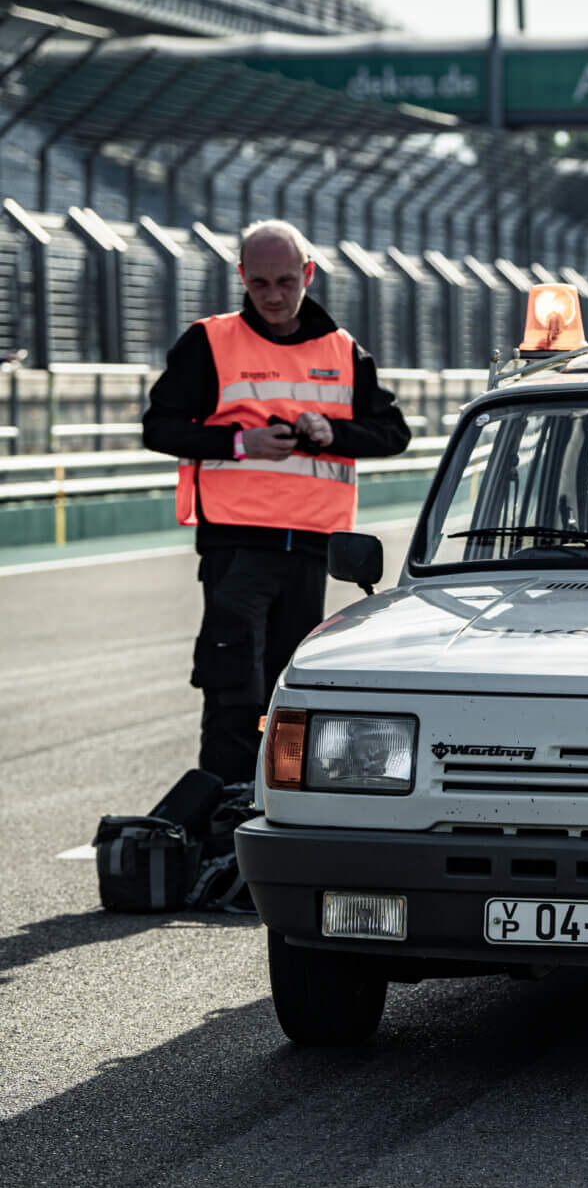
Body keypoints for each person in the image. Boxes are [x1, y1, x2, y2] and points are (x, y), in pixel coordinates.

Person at [141, 219, 410, 785]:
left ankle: (280, 805)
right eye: (259, 283)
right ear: (241, 276)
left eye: (285, 282)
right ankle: (223, 816)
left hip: (311, 551)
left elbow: (393, 433)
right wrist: (241, 442)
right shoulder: (209, 342)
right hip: (237, 546)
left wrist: (331, 432)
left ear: (308, 274)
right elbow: (159, 427)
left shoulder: (343, 350)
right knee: (234, 687)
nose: (273, 296)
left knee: (291, 696)